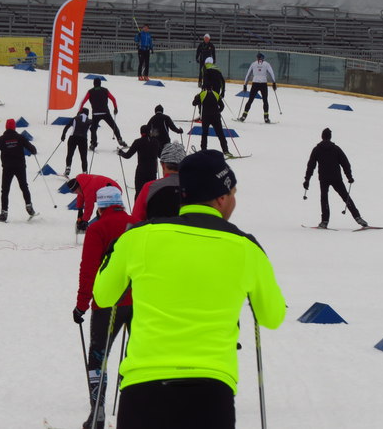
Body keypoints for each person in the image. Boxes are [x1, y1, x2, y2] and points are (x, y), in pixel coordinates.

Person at [93, 149, 287, 428]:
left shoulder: (138, 237)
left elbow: (103, 296)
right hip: (211, 393)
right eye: (233, 192)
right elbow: (272, 317)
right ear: (221, 198)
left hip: (143, 390)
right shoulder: (246, 248)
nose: (234, 200)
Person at [72, 185, 136, 429]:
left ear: (101, 207)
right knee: (136, 355)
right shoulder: (138, 224)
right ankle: (133, 409)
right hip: (139, 301)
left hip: (107, 303)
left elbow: (88, 269)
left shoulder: (97, 228)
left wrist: (81, 304)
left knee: (98, 356)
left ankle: (97, 411)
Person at [303, 128, 368, 229]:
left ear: (322, 136)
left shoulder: (317, 149)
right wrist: (349, 176)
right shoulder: (336, 149)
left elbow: (311, 166)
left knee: (324, 199)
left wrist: (307, 180)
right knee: (345, 197)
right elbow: (345, 163)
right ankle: (358, 218)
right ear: (330, 137)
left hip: (324, 178)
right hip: (336, 178)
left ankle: (324, 221)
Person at [0, 119, 37, 222]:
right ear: (14, 127)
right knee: (24, 186)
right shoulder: (20, 137)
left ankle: (4, 213)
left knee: (5, 190)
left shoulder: (2, 139)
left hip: (7, 168)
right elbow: (31, 148)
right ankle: (29, 206)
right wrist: (34, 151)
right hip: (20, 167)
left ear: (6, 127)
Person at [131, 142, 186, 221]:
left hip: (155, 228)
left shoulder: (150, 187)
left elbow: (136, 219)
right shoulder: (196, 187)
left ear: (163, 165)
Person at [78, 77, 127, 151]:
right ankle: (120, 139)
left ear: (93, 84)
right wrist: (115, 108)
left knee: (93, 129)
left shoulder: (90, 91)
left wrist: (80, 111)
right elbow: (113, 99)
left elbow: (83, 102)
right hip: (105, 112)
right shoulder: (105, 90)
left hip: (95, 114)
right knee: (113, 126)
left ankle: (93, 144)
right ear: (100, 83)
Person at [118, 125, 160, 201]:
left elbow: (128, 155)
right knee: (151, 193)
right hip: (152, 171)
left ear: (141, 132)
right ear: (150, 132)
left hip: (141, 171)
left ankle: (137, 208)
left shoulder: (138, 142)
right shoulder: (156, 141)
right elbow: (160, 154)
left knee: (139, 193)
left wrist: (121, 153)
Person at [192, 84, 230, 156]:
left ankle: (203, 150)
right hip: (216, 117)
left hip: (206, 117)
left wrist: (196, 97)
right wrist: (218, 111)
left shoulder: (202, 94)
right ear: (212, 88)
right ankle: (226, 150)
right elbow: (222, 106)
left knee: (204, 134)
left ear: (204, 88)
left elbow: (194, 103)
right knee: (220, 134)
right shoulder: (216, 94)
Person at [240, 52, 277, 123]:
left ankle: (243, 116)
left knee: (250, 100)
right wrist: (274, 82)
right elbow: (271, 73)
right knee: (265, 101)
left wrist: (245, 85)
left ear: (257, 58)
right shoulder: (267, 64)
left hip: (255, 84)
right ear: (263, 58)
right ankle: (266, 118)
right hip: (263, 84)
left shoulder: (253, 64)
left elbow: (248, 74)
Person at [61, 108, 91, 177]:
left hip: (73, 138)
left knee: (70, 154)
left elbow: (67, 126)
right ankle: (85, 172)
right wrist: (93, 141)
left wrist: (63, 135)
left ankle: (68, 168)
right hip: (83, 139)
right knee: (83, 157)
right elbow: (93, 130)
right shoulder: (89, 121)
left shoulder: (75, 118)